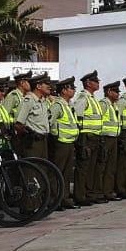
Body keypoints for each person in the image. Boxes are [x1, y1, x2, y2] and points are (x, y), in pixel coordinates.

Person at [72, 71, 103, 205]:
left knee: (91, 168)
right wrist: (80, 138)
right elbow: (77, 117)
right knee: (83, 168)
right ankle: (80, 196)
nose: (98, 83)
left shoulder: (92, 98)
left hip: (94, 137)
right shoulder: (83, 98)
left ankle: (89, 194)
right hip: (86, 137)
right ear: (88, 83)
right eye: (95, 81)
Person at [48, 77, 79, 208]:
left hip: (69, 143)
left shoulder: (68, 105)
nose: (74, 90)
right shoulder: (58, 105)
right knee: (57, 172)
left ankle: (64, 198)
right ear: (64, 90)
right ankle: (55, 200)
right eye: (72, 88)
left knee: (66, 173)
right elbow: (49, 122)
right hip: (60, 143)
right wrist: (55, 135)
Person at [98, 80, 122, 199]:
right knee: (102, 166)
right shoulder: (104, 104)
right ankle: (100, 191)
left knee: (111, 167)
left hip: (114, 137)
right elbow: (98, 120)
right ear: (108, 92)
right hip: (105, 137)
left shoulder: (114, 105)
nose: (118, 94)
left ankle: (108, 191)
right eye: (115, 91)